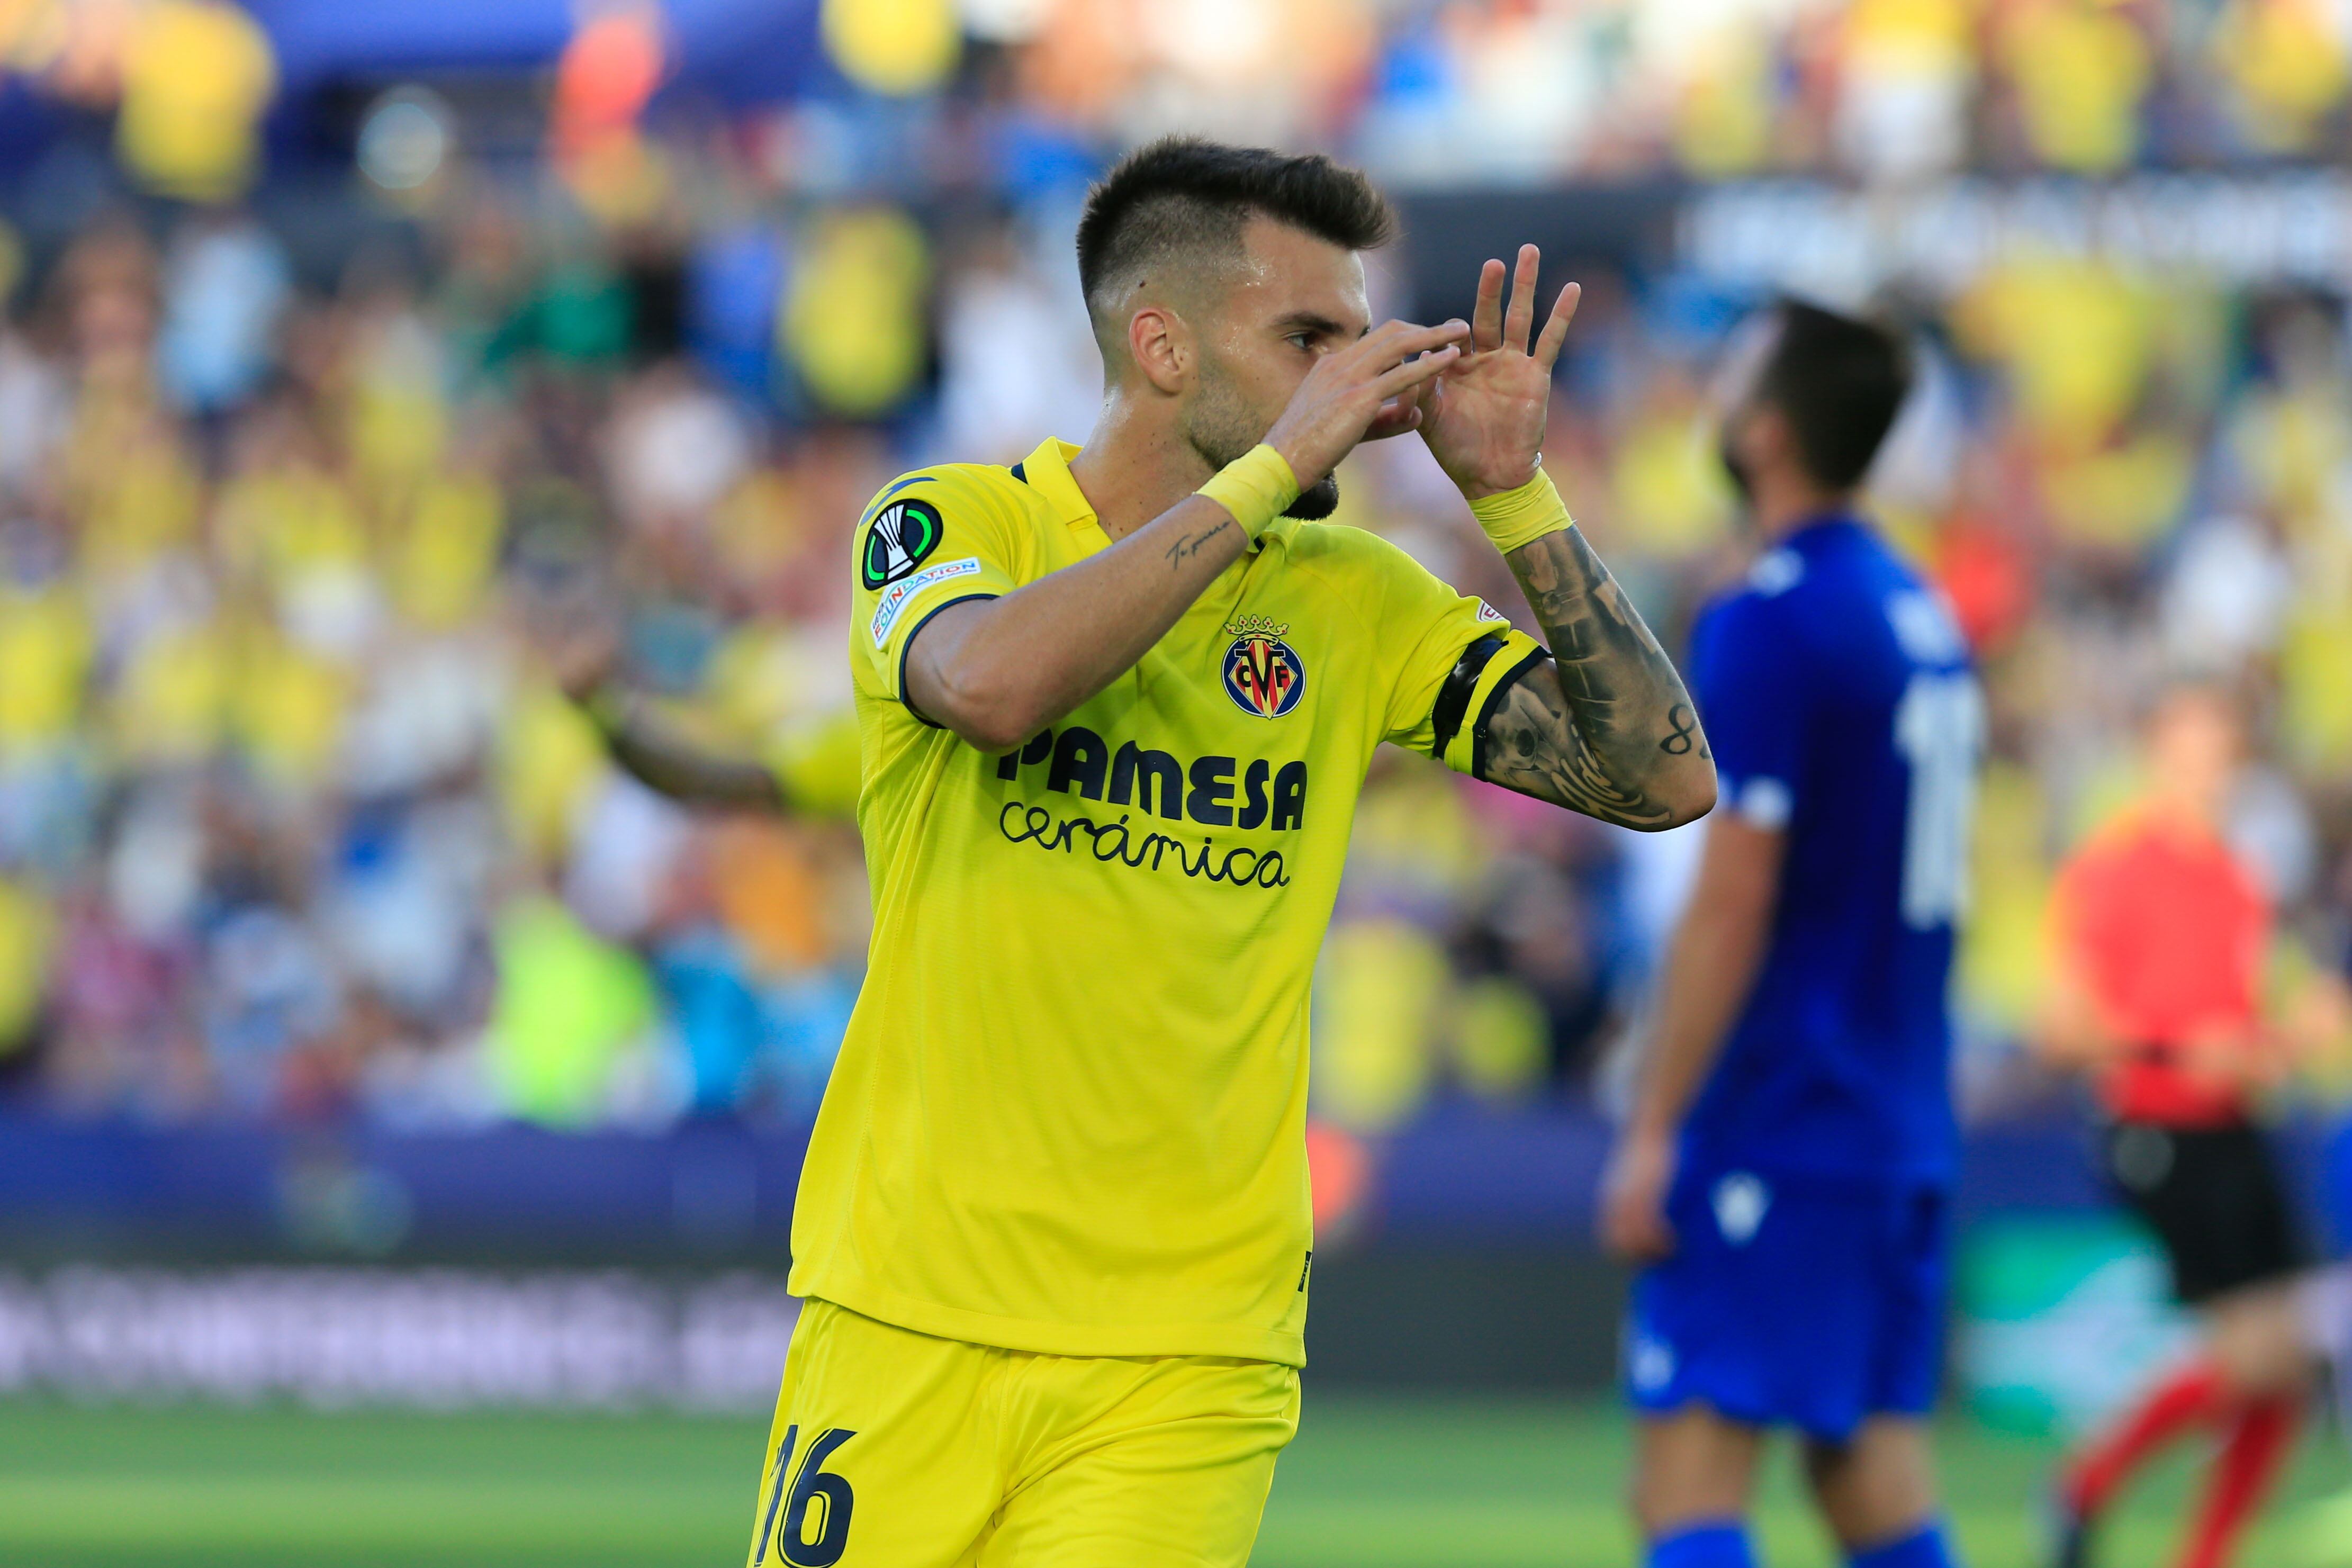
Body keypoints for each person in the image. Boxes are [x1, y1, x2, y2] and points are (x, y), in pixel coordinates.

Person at [569, 137, 1715, 1568]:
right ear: (1162, 346)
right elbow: (991, 689)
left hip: (1190, 1352)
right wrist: (1273, 469)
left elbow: (1663, 775)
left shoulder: (1354, 598)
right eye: (1307, 338)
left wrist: (1514, 497)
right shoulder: (952, 523)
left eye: (1356, 341)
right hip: (913, 1313)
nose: (1356, 381)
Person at [1599, 301, 1980, 1568]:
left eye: (1729, 374)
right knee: (1866, 1470)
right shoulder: (1916, 613)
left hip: (1788, 1106)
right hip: (1895, 1110)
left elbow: (1733, 897)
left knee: (1683, 1481)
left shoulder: (1772, 610)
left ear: (1760, 430)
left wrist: (1655, 1122)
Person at [2036, 681, 2317, 1568]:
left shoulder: (2240, 880)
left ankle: (2195, 1549)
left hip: (2235, 1124)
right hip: (2158, 1125)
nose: (2207, 775)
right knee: (2255, 1348)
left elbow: (2251, 1025)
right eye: (2190, 753)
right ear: (2156, 756)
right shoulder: (2115, 870)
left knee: (2291, 1364)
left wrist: (2283, 1039)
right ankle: (2087, 1479)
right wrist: (2173, 1047)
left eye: (2221, 756)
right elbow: (2063, 1028)